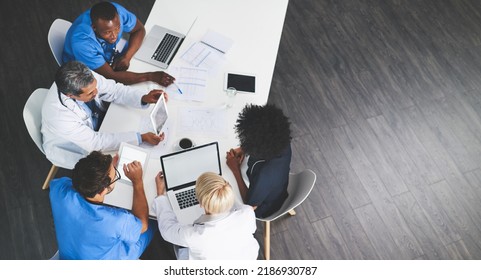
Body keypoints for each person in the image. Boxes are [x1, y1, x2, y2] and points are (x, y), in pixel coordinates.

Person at [41, 60, 165, 168]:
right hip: (76, 146)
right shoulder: (59, 116)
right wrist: (140, 138)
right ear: (70, 95)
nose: (96, 92)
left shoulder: (83, 76)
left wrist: (143, 97)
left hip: (99, 124)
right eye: (90, 93)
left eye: (95, 87)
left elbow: (114, 90)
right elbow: (96, 143)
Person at [49, 151, 156, 259]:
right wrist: (137, 182)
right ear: (102, 191)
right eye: (116, 176)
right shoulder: (116, 221)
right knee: (153, 222)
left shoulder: (58, 189)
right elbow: (143, 225)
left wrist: (105, 169)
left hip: (68, 256)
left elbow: (70, 182)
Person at [62, 1, 175, 86]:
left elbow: (139, 29)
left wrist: (127, 57)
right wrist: (150, 76)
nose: (115, 35)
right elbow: (111, 76)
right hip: (81, 69)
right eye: (108, 32)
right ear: (94, 28)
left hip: (105, 53)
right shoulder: (82, 42)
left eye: (117, 28)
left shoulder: (117, 12)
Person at [153, 171, 259, 260]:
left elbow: (167, 230)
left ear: (201, 203)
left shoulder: (194, 236)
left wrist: (161, 195)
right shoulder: (247, 213)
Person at [226, 104, 292, 218]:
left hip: (263, 209)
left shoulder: (265, 176)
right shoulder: (282, 141)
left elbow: (249, 205)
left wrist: (235, 170)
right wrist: (244, 149)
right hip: (278, 187)